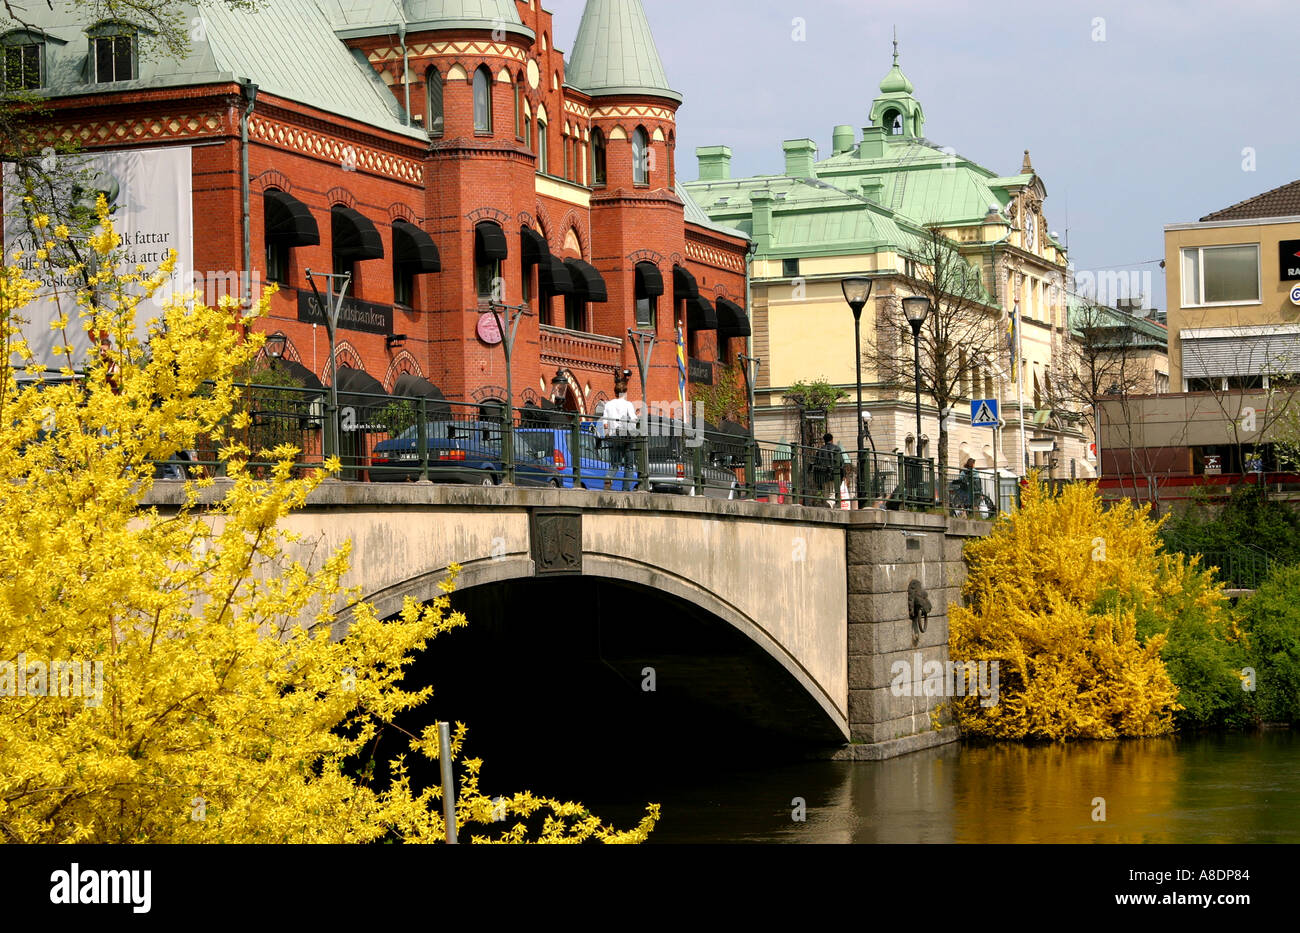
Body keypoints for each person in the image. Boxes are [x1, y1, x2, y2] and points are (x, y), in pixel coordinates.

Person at [600, 373, 639, 490]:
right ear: (625, 392)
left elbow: (605, 421)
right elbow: (633, 419)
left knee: (615, 463)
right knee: (629, 465)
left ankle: (608, 476)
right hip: (627, 436)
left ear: (615, 393)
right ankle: (626, 489)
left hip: (614, 436)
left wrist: (607, 432)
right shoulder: (628, 404)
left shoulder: (608, 404)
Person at [812, 432, 843, 507]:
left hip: (823, 475)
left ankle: (827, 504)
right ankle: (830, 504)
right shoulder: (837, 449)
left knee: (826, 491)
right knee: (833, 491)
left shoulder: (820, 450)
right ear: (832, 440)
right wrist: (842, 474)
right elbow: (841, 462)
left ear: (824, 440)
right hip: (834, 474)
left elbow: (817, 463)